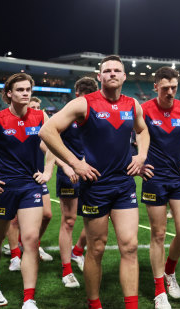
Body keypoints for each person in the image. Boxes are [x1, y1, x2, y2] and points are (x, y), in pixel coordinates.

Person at [39, 55, 150, 309]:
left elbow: (142, 131)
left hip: (124, 186)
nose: (112, 74)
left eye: (117, 71)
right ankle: (94, 304)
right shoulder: (83, 103)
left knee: (130, 247)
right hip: (95, 186)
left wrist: (141, 155)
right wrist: (75, 163)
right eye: (107, 70)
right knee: (97, 249)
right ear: (99, 77)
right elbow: (47, 131)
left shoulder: (133, 105)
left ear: (124, 76)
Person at [0, 73, 56, 309]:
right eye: (20, 89)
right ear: (9, 94)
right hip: (3, 188)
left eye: (28, 89)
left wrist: (47, 171)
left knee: (31, 240)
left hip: (30, 187)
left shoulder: (40, 116)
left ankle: (29, 299)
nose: (25, 93)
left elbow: (54, 143)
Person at [140, 66, 180, 309]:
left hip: (178, 178)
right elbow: (123, 138)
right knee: (158, 234)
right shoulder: (143, 110)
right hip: (154, 178)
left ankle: (169, 271)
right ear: (156, 87)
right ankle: (159, 292)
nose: (171, 92)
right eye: (165, 88)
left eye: (174, 87)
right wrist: (138, 162)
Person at [55, 77, 99, 288]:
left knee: (99, 217)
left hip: (95, 172)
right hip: (70, 173)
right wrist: (67, 165)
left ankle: (78, 251)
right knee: (69, 220)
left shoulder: (98, 112)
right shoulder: (67, 113)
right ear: (76, 95)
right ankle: (66, 271)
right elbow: (49, 141)